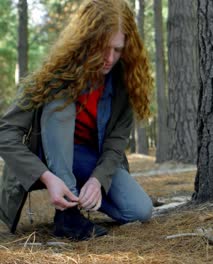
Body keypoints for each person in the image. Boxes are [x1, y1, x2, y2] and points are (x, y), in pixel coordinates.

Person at [0, 0, 154, 241]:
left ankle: (76, 197)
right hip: (44, 160)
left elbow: (116, 143)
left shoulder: (125, 85)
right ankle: (68, 215)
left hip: (86, 160)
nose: (109, 58)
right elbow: (5, 133)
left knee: (140, 210)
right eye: (102, 47)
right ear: (85, 40)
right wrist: (47, 177)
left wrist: (98, 180)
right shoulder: (51, 76)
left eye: (117, 49)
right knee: (59, 103)